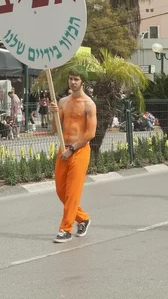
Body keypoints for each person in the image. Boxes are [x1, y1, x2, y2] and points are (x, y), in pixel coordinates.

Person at [49, 67, 97, 243]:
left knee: (72, 193)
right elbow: (55, 129)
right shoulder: (63, 102)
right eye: (71, 79)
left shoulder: (89, 104)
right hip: (63, 148)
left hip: (79, 150)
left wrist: (73, 149)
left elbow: (90, 133)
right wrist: (53, 113)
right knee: (61, 191)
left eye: (76, 79)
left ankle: (65, 229)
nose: (73, 82)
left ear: (82, 81)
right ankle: (83, 218)